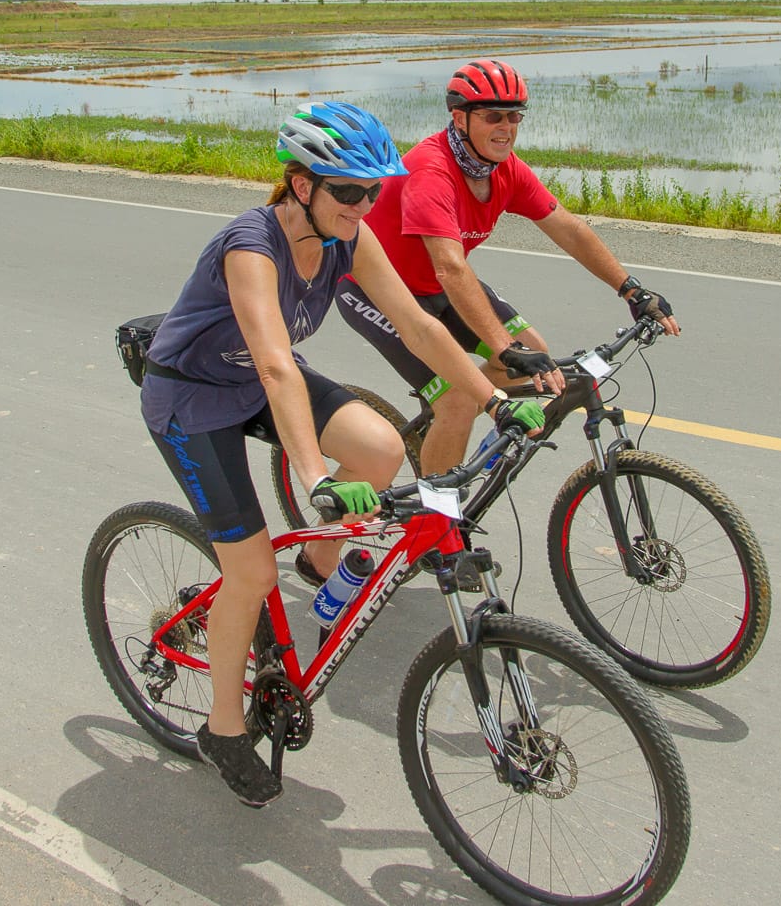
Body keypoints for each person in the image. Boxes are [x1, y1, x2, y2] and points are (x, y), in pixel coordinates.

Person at [139, 101, 543, 808]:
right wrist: (314, 476)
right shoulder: (250, 243)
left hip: (254, 381)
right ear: (303, 187)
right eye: (350, 192)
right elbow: (275, 364)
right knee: (250, 569)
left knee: (384, 447)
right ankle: (223, 728)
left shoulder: (347, 240)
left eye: (373, 192)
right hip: (193, 398)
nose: (365, 205)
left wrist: (491, 398)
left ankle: (320, 562)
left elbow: (418, 326)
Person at [336, 58, 681, 476]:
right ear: (459, 118)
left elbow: (568, 229)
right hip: (377, 289)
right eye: (493, 116)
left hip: (440, 287)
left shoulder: (504, 170)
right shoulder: (432, 171)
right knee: (460, 399)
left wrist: (631, 289)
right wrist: (502, 348)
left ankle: (449, 435)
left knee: (532, 352)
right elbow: (449, 266)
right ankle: (434, 526)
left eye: (514, 116)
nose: (507, 127)